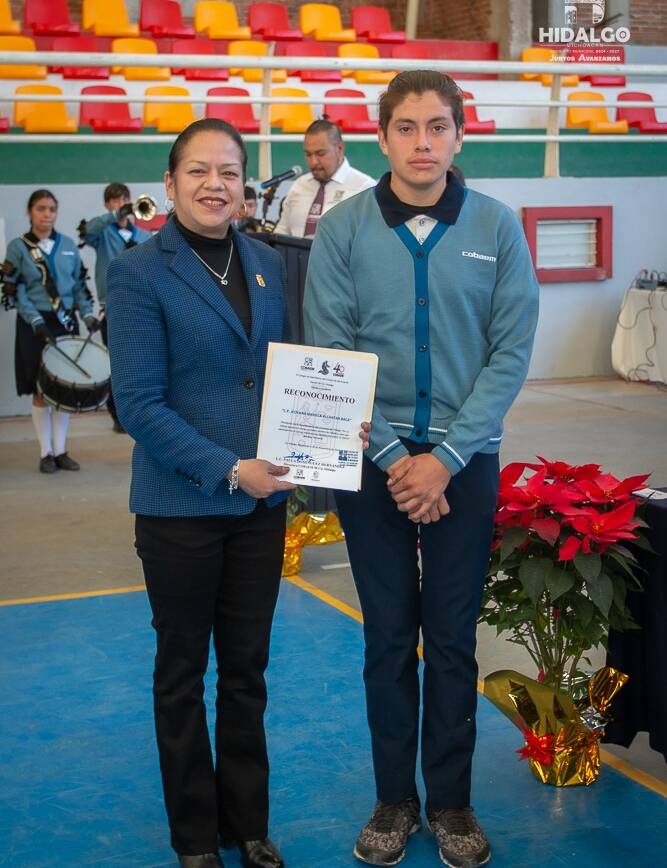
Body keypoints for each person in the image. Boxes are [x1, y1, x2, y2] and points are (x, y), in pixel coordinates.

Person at [106, 117, 369, 868]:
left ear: (245, 185)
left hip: (259, 512)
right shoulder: (137, 272)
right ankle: (194, 838)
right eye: (198, 170)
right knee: (182, 676)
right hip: (180, 510)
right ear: (170, 182)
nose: (214, 184)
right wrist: (229, 467)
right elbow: (140, 404)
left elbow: (288, 372)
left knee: (247, 674)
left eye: (228, 171)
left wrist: (331, 427)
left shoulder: (263, 262)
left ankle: (247, 825)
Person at [304, 71, 539, 868]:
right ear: (382, 137)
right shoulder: (340, 231)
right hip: (371, 466)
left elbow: (508, 354)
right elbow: (331, 348)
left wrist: (441, 460)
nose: (422, 143)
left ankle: (450, 802)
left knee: (450, 640)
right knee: (385, 637)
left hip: (464, 464)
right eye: (406, 128)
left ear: (459, 136)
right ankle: (392, 800)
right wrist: (396, 461)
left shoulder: (498, 229)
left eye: (437, 127)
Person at [1, 189, 100, 474]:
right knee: (41, 390)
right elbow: (14, 291)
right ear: (30, 213)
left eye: (52, 209)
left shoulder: (68, 245)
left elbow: (79, 287)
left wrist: (89, 316)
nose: (47, 214)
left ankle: (61, 450)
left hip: (64, 321)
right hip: (35, 324)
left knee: (63, 390)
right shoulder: (17, 248)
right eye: (41, 209)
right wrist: (35, 321)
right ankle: (45, 453)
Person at [78, 182, 151, 432]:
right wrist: (113, 216)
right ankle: (117, 413)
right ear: (108, 204)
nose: (122, 205)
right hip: (110, 305)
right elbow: (86, 231)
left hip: (140, 306)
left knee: (142, 360)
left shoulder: (142, 236)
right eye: (116, 201)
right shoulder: (102, 233)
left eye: (124, 200)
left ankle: (140, 410)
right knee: (116, 361)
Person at [274, 119, 375, 238]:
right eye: (308, 154)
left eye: (320, 154)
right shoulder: (299, 185)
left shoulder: (364, 188)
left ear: (340, 148)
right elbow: (281, 232)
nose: (313, 162)